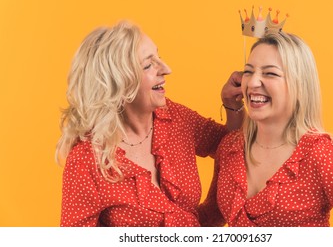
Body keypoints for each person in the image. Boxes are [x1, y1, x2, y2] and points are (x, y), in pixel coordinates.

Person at [56, 20, 245, 227]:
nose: (166, 69)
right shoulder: (86, 161)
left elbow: (231, 147)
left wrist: (232, 105)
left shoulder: (174, 117)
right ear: (117, 83)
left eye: (159, 58)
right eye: (148, 65)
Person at [205, 30, 333, 226]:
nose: (252, 82)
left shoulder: (320, 154)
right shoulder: (230, 147)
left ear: (300, 86)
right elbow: (209, 218)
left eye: (270, 73)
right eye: (248, 71)